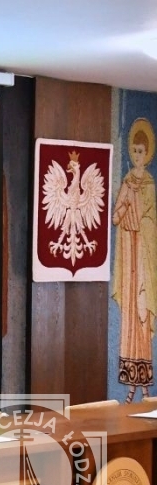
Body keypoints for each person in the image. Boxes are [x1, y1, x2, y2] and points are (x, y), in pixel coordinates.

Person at [112, 117, 157, 401]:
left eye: (142, 151)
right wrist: (125, 203)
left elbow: (150, 223)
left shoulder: (150, 185)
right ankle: (130, 387)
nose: (138, 156)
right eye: (135, 151)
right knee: (129, 319)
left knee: (142, 316)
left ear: (148, 153)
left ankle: (145, 388)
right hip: (129, 259)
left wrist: (136, 209)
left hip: (143, 262)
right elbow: (116, 218)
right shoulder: (127, 183)